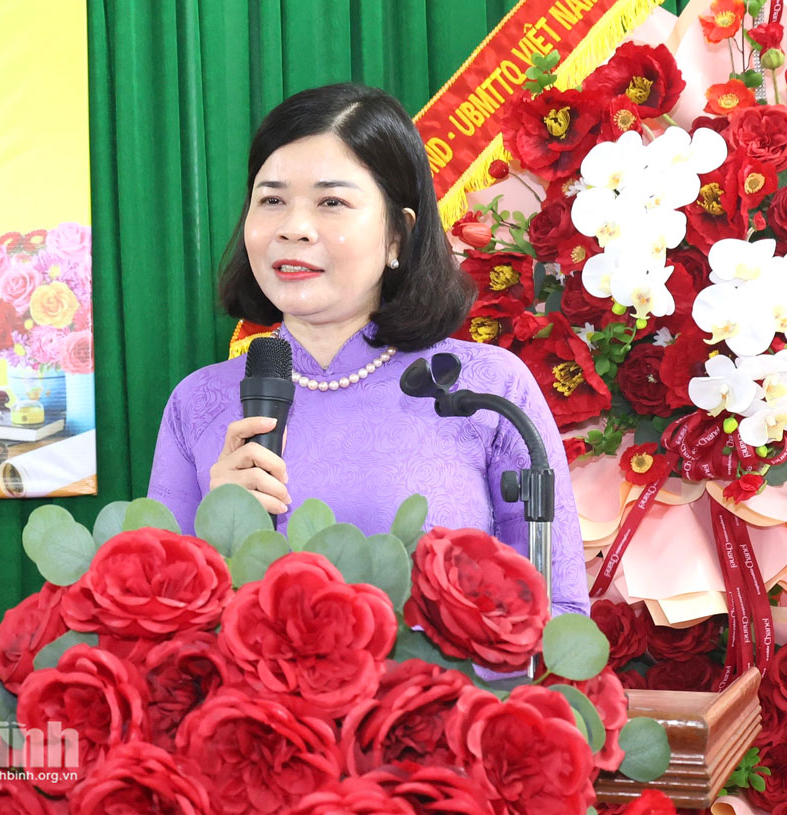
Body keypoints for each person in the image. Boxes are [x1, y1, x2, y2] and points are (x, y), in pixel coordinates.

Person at [148, 83, 589, 617]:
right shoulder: (199, 402)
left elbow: (559, 613)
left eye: (331, 202)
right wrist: (213, 537)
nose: (293, 228)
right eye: (272, 200)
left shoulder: (487, 390)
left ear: (398, 235)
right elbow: (155, 628)